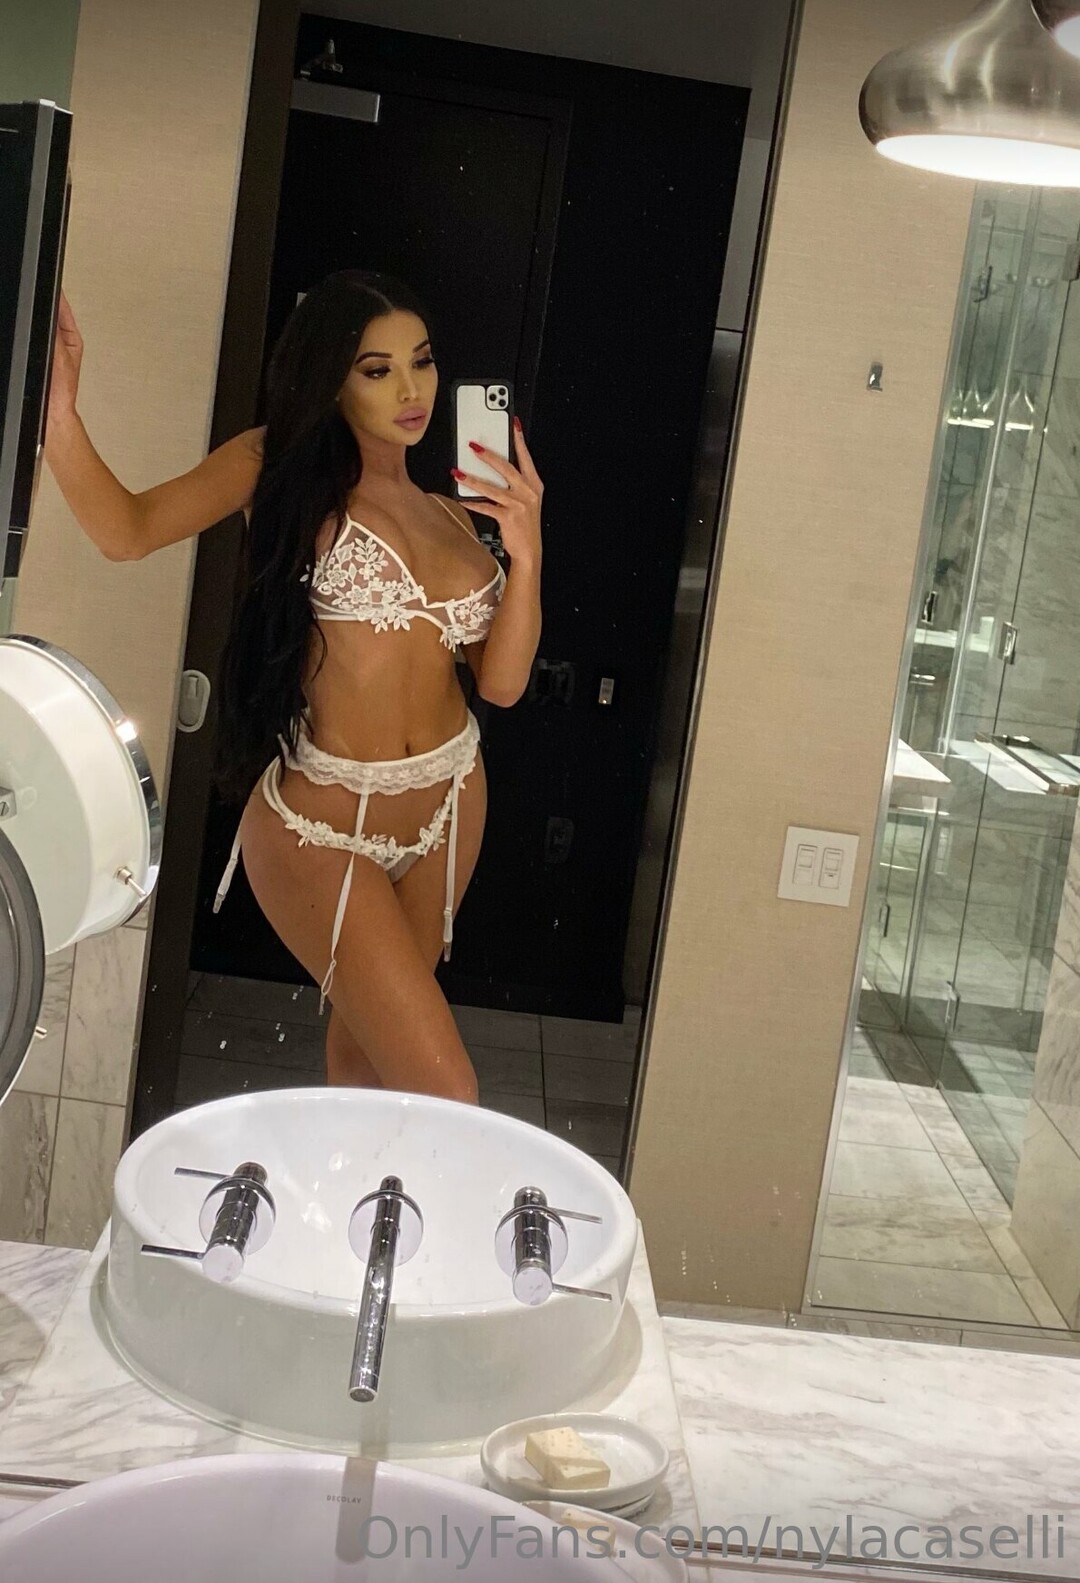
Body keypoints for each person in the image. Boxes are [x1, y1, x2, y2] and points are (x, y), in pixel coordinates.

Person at [44, 269, 544, 1103]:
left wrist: (527, 552)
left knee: (365, 1069)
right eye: (377, 369)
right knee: (444, 1090)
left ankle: (351, 1195)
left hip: (450, 807)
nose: (411, 390)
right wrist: (59, 415)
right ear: (332, 379)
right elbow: (127, 530)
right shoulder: (273, 465)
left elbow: (501, 685)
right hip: (320, 825)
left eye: (421, 362)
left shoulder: (452, 514)